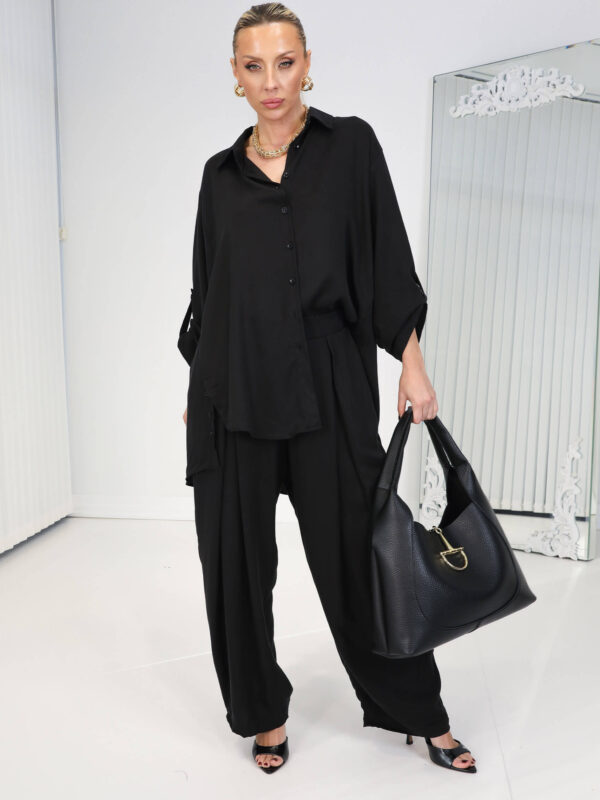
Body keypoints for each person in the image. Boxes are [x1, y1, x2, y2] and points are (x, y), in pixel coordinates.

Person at [178, 2, 477, 776]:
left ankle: (420, 713)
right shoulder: (219, 178)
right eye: (254, 66)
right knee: (236, 569)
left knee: (360, 559)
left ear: (307, 63)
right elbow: (209, 293)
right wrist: (197, 386)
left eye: (285, 63)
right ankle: (263, 716)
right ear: (235, 76)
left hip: (330, 386)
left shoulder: (352, 149)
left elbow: (386, 259)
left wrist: (411, 360)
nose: (271, 81)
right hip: (234, 395)